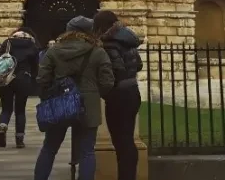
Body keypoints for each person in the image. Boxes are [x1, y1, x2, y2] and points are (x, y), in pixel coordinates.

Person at [34, 16, 114, 180]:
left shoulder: (54, 50)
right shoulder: (97, 51)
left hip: (60, 101)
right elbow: (108, 81)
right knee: (87, 151)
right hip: (88, 104)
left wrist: (50, 94)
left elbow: (42, 79)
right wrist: (95, 92)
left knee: (49, 148)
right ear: (89, 31)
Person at [93, 10, 143, 180]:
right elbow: (139, 65)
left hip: (118, 95)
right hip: (132, 90)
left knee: (121, 142)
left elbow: (114, 71)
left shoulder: (109, 44)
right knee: (127, 140)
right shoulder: (128, 40)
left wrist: (104, 88)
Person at [0, 27, 40, 148]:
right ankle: (19, 140)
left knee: (6, 108)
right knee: (20, 110)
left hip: (6, 79)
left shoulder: (7, 43)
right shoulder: (32, 46)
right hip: (23, 79)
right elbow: (36, 67)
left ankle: (3, 126)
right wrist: (33, 79)